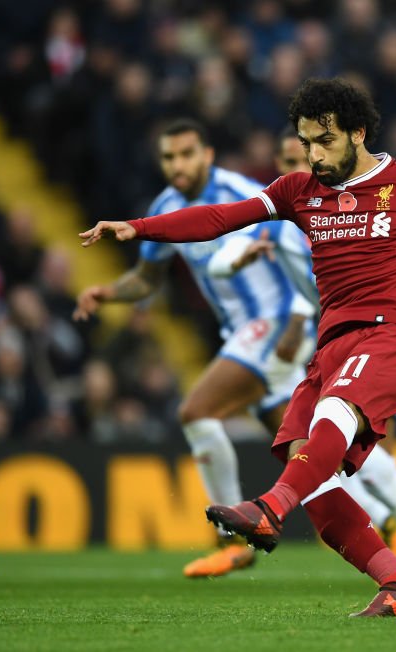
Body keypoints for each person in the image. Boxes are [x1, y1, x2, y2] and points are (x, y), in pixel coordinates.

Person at [79, 78, 396, 616]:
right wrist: (139, 228)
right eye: (306, 141)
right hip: (331, 346)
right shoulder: (296, 191)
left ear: (358, 133)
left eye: (324, 141)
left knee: (327, 425)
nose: (313, 154)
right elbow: (221, 218)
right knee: (300, 462)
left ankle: (269, 509)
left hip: (391, 335)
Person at [211, 127, 396, 590]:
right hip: (325, 350)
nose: (297, 168)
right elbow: (223, 252)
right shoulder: (291, 215)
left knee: (352, 453)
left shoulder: (357, 206)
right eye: (288, 161)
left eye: (302, 158)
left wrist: (300, 318)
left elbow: (342, 281)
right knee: (316, 464)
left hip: (373, 342)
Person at [73, 119, 317, 579]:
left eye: (186, 154)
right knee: (302, 447)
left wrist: (302, 317)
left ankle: (231, 540)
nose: (177, 165)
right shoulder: (165, 204)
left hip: (275, 322)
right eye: (169, 157)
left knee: (196, 411)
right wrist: (108, 292)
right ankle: (394, 520)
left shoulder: (241, 190)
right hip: (242, 333)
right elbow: (147, 279)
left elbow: (296, 245)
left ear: (207, 154)